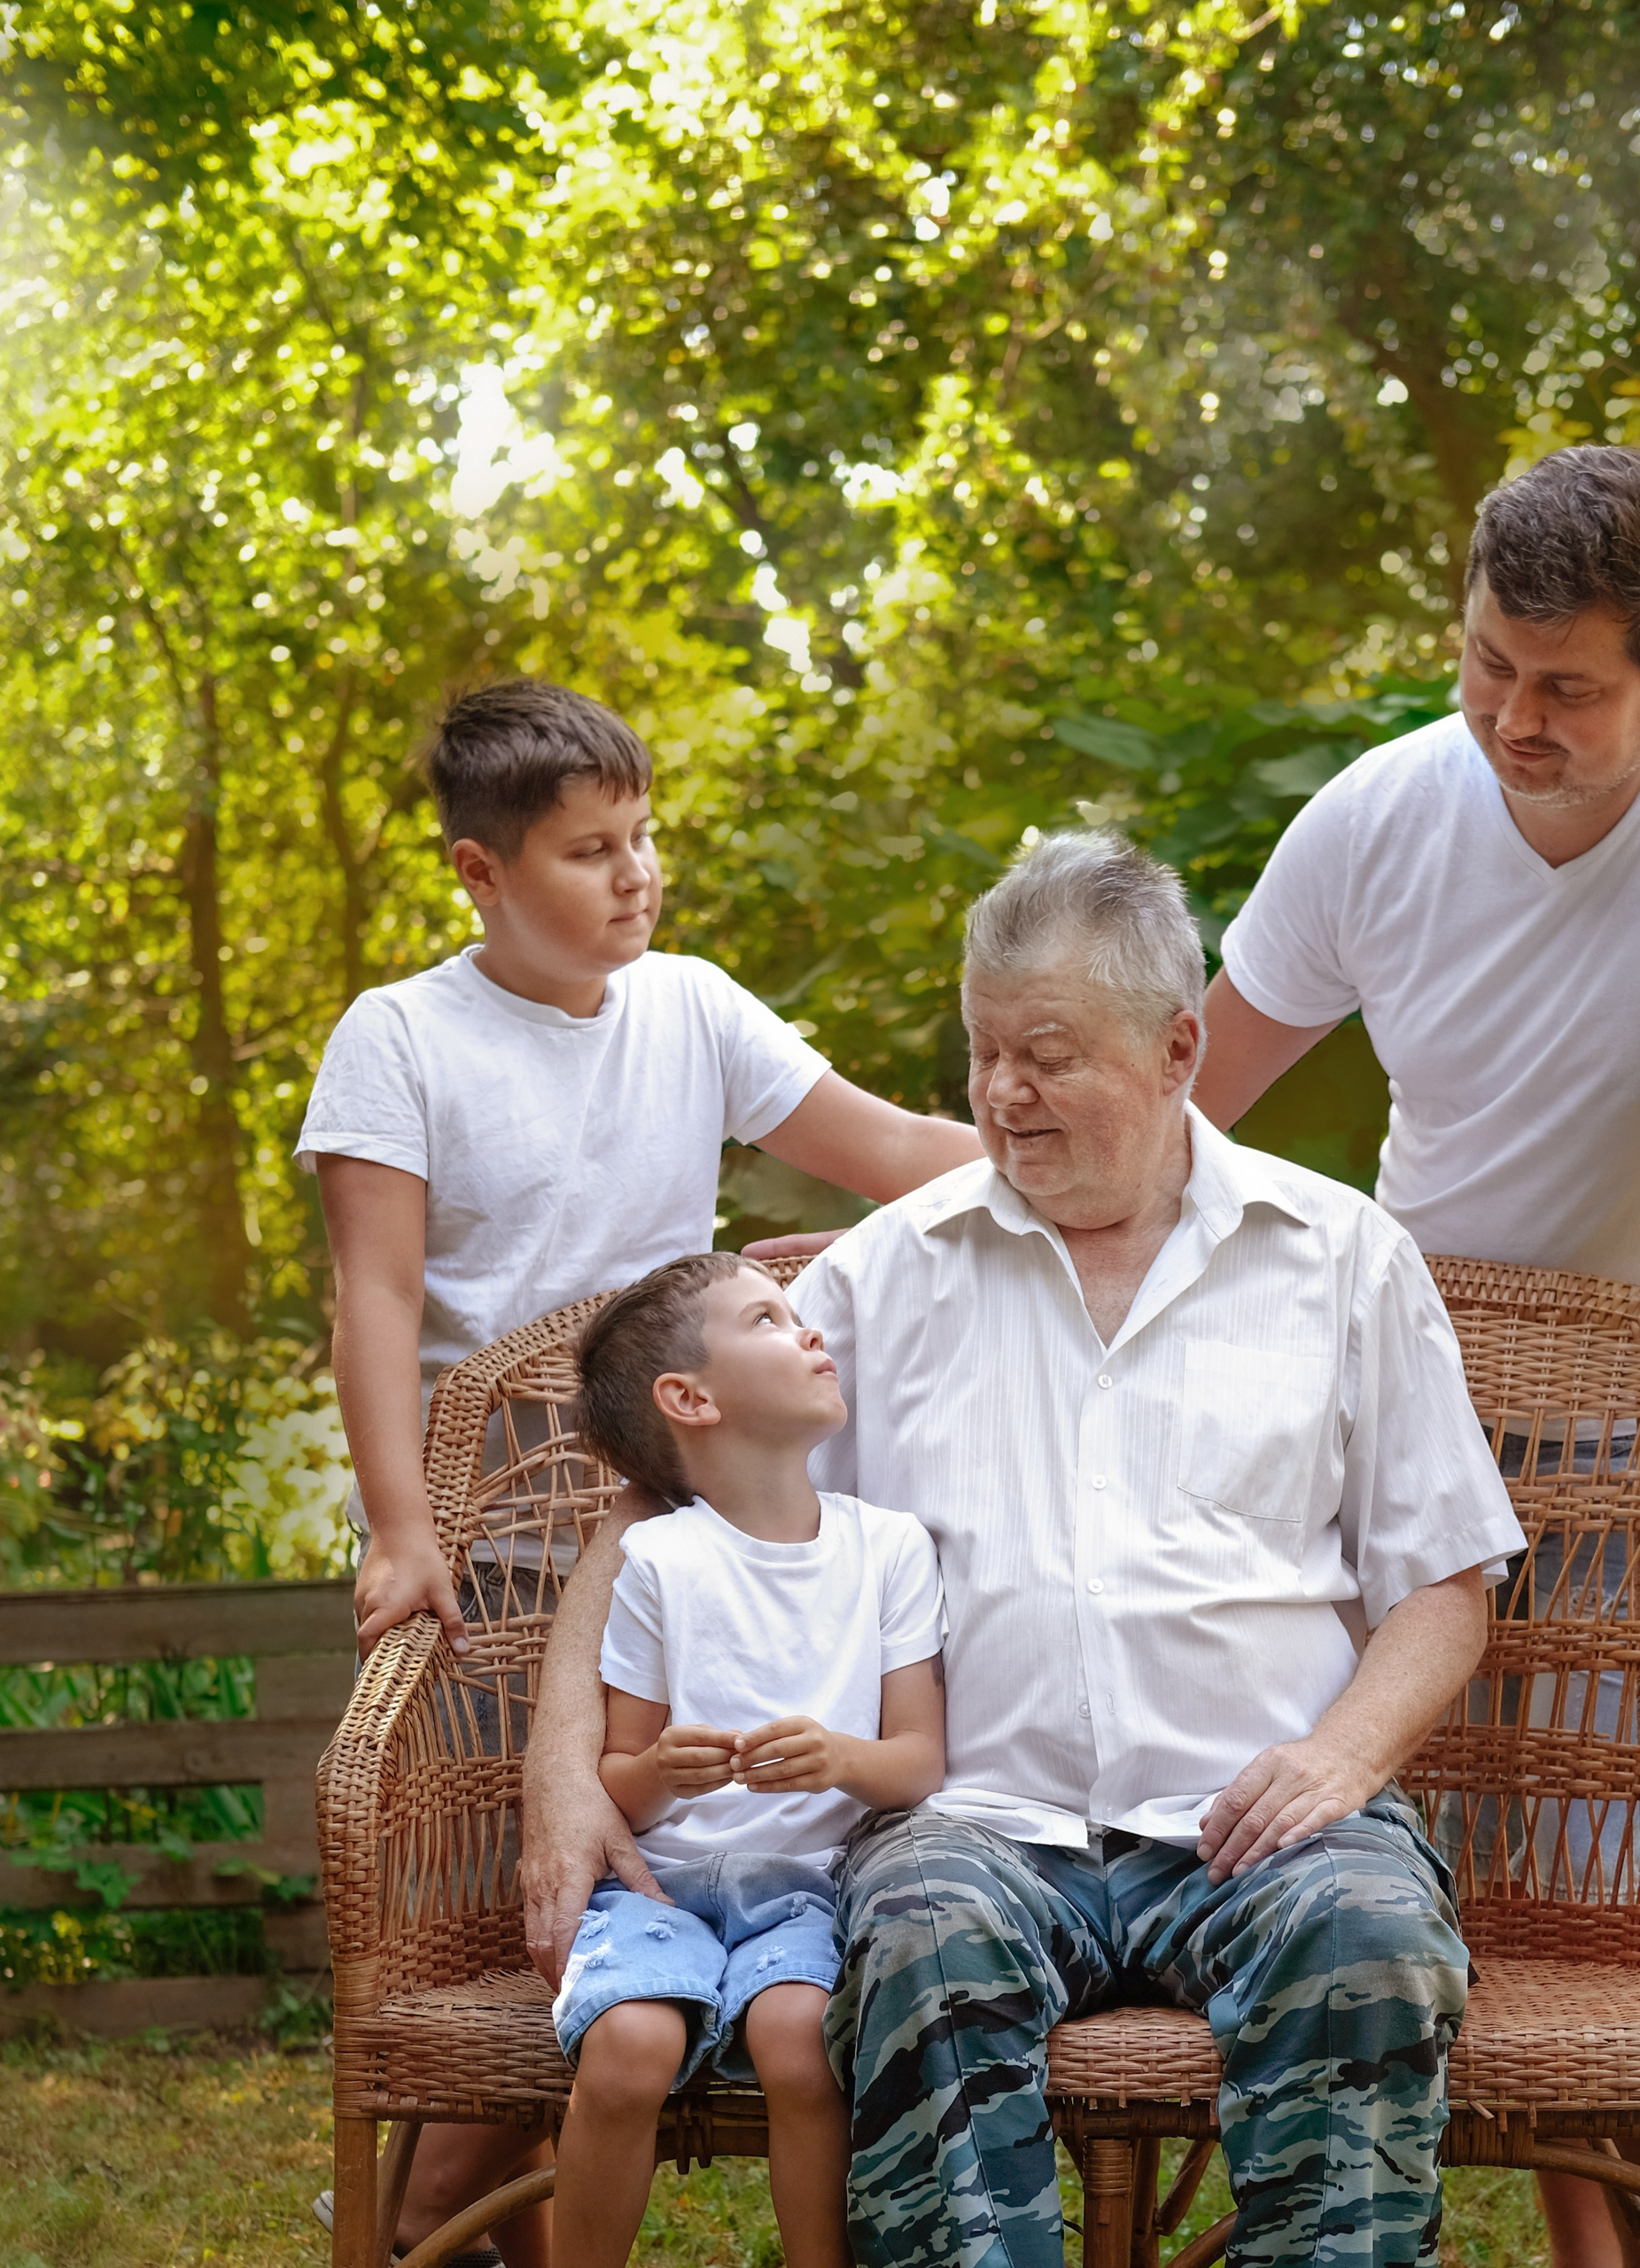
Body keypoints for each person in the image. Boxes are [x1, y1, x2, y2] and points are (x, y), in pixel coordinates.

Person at [524, 832, 1529, 2267]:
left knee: (1369, 1938)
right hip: (978, 1825)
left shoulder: (1341, 1257)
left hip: (1261, 1822)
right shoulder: (892, 1270)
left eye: (1047, 1056)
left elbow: (1443, 1583)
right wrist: (561, 1770)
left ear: (1178, 1048)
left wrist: (1342, 1759)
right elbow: (657, 1505)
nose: (1002, 1094)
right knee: (918, 1939)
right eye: (986, 1052)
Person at [1190, 444, 1640, 2267]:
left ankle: (1613, 2244)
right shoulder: (1377, 818)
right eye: (1486, 665)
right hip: (1408, 1415)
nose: (1514, 720)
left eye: (1568, 690)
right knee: (1402, 1847)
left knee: (1590, 1878)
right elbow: (1180, 1117)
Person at [298, 677, 979, 2264]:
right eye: (590, 850)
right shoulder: (402, 1037)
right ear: (480, 872)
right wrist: (402, 1527)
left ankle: (446, 2223)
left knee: (651, 1876)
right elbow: (375, 1296)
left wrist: (1094, 1143)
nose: (636, 876)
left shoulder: (693, 1009)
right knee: (517, 1914)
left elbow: (893, 1151)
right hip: (494, 1537)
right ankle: (432, 2220)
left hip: (673, 1513)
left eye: (643, 837)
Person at [552, 1250, 944, 2268]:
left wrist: (837, 1757)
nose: (809, 1331)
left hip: (809, 1885)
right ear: (690, 1398)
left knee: (800, 2038)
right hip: (661, 1887)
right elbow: (621, 1784)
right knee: (629, 2044)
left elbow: (916, 1763)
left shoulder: (888, 1548)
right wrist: (662, 1769)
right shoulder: (659, 1562)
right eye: (767, 1319)